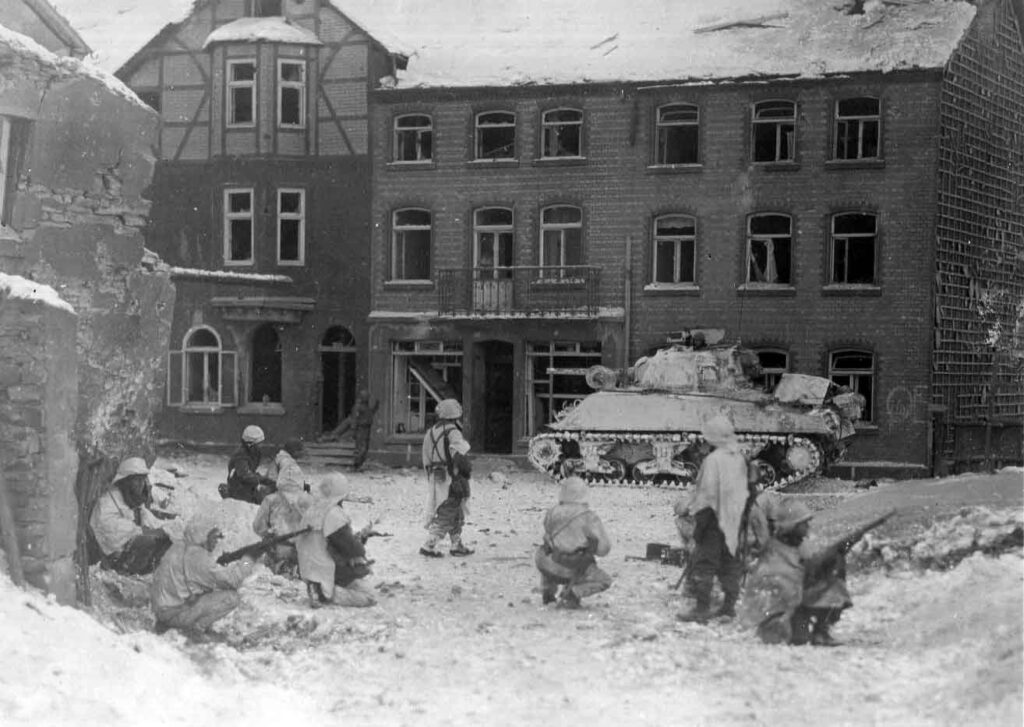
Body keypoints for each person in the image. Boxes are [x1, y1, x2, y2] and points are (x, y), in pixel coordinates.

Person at [739, 498, 853, 647]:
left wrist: (834, 557)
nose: (807, 527)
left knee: (834, 576)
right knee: (798, 639)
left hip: (795, 606)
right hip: (779, 616)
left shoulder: (800, 545)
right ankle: (811, 632)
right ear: (792, 526)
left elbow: (811, 567)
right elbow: (788, 584)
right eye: (803, 524)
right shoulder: (774, 554)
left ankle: (821, 631)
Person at [674, 415, 748, 623]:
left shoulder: (713, 460)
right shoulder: (739, 457)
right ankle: (728, 607)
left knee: (704, 563)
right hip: (735, 518)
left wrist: (699, 525)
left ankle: (702, 608)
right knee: (730, 562)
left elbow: (705, 495)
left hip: (714, 519)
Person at [150, 514, 254, 641]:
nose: (216, 541)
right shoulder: (197, 556)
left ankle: (182, 625)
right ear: (203, 536)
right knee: (232, 597)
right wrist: (248, 560)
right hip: (173, 614)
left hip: (162, 611)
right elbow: (232, 581)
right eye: (214, 537)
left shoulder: (178, 547)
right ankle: (195, 630)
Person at [295, 472, 376, 608]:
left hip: (308, 566)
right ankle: (327, 594)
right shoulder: (333, 513)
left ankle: (319, 587)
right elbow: (351, 549)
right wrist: (361, 543)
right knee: (369, 596)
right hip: (325, 567)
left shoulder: (314, 509)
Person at [535, 476, 612, 609]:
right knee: (603, 579)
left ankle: (547, 592)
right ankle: (573, 594)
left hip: (544, 563)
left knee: (551, 551)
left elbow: (548, 535)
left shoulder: (552, 511)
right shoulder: (588, 516)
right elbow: (603, 549)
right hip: (567, 568)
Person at [89, 456, 173, 576]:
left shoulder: (131, 498)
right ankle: (126, 572)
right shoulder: (107, 502)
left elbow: (148, 519)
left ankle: (143, 570)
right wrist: (154, 532)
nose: (140, 484)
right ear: (126, 480)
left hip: (127, 545)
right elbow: (123, 532)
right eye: (136, 480)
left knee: (167, 539)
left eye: (142, 480)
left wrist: (169, 529)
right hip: (111, 553)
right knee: (147, 541)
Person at [420, 398, 474, 558]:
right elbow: (460, 454)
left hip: (436, 475)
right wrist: (466, 472)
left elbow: (425, 457)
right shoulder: (453, 432)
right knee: (449, 509)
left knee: (454, 509)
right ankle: (429, 544)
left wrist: (430, 477)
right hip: (453, 476)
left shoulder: (430, 432)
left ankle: (457, 544)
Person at [251, 439, 309, 575]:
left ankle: (278, 565)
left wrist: (269, 533)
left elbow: (258, 526)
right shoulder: (307, 501)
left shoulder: (270, 500)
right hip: (301, 552)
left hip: (276, 549)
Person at [321, 390, 380, 470]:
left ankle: (358, 464)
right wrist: (354, 429)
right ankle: (356, 465)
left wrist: (376, 404)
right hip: (361, 429)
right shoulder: (358, 407)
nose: (366, 398)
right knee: (360, 448)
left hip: (366, 429)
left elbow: (371, 412)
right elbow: (354, 419)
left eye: (367, 396)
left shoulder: (366, 407)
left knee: (364, 447)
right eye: (365, 396)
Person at [221, 425, 276, 504]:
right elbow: (245, 475)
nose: (261, 446)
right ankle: (230, 494)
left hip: (247, 482)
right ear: (250, 444)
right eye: (259, 444)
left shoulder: (254, 453)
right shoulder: (241, 456)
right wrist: (262, 480)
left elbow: (251, 472)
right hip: (239, 486)